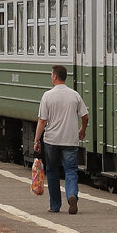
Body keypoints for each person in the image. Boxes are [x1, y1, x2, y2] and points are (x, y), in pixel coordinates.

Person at [33, 65, 88, 214]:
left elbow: (42, 121)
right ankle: (71, 196)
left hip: (52, 141)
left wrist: (37, 140)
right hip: (70, 140)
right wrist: (82, 130)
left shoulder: (47, 96)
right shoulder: (74, 95)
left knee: (52, 172)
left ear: (55, 77)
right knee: (71, 171)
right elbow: (85, 116)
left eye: (52, 75)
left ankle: (55, 206)